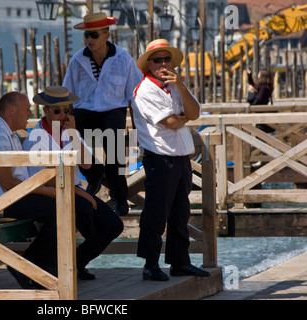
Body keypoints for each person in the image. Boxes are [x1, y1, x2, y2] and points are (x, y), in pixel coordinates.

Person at [23, 86, 124, 280]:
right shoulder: (36, 139)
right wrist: (82, 193)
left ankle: (76, 262)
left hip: (73, 191)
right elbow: (45, 179)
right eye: (57, 111)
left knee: (114, 226)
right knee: (87, 212)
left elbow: (87, 164)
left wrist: (73, 135)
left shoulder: (69, 131)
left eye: (66, 110)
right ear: (45, 111)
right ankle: (67, 266)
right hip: (51, 193)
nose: (63, 115)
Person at [131, 39, 210, 281]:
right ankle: (150, 265)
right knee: (156, 213)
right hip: (159, 157)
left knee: (180, 213)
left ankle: (179, 262)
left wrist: (183, 87)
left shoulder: (175, 86)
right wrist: (185, 116)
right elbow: (173, 122)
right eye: (158, 60)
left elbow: (193, 114)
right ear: (148, 65)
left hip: (180, 157)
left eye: (167, 59)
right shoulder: (144, 90)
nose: (164, 64)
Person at [0, 92, 59, 289]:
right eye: (27, 109)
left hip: (6, 198)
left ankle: (36, 268)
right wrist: (45, 191)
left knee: (62, 208)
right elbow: (7, 183)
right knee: (60, 210)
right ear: (11, 110)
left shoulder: (7, 132)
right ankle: (29, 267)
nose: (29, 113)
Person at [62, 12, 143, 216]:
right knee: (72, 141)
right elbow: (67, 94)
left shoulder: (123, 58)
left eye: (94, 35)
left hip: (113, 111)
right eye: (87, 35)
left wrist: (137, 128)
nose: (89, 39)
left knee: (114, 150)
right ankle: (95, 175)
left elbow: (135, 97)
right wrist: (66, 122)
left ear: (107, 35)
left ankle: (120, 198)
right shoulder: (77, 60)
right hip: (84, 111)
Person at [247, 68, 275, 133]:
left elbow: (258, 101)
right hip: (261, 113)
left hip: (261, 114)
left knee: (259, 133)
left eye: (259, 73)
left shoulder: (263, 88)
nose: (258, 75)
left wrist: (251, 93)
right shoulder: (265, 87)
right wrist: (249, 75)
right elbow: (253, 85)